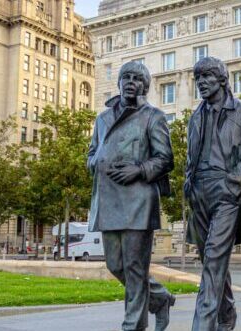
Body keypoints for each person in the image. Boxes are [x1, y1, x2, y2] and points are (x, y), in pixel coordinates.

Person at [87, 61, 175, 331]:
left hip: (138, 200)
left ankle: (132, 326)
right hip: (109, 199)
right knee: (116, 265)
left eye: (137, 79)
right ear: (119, 82)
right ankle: (159, 298)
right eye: (126, 77)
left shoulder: (153, 116)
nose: (130, 82)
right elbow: (92, 153)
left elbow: (165, 158)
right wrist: (95, 164)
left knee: (135, 268)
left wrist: (138, 170)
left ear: (145, 86)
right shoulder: (102, 118)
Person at [185, 56, 241, 331]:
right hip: (199, 193)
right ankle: (227, 314)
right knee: (209, 258)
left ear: (221, 80)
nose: (202, 83)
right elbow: (190, 157)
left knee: (214, 259)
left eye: (207, 77)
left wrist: (233, 182)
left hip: (226, 191)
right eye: (198, 79)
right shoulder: (196, 116)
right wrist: (189, 185)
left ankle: (202, 325)